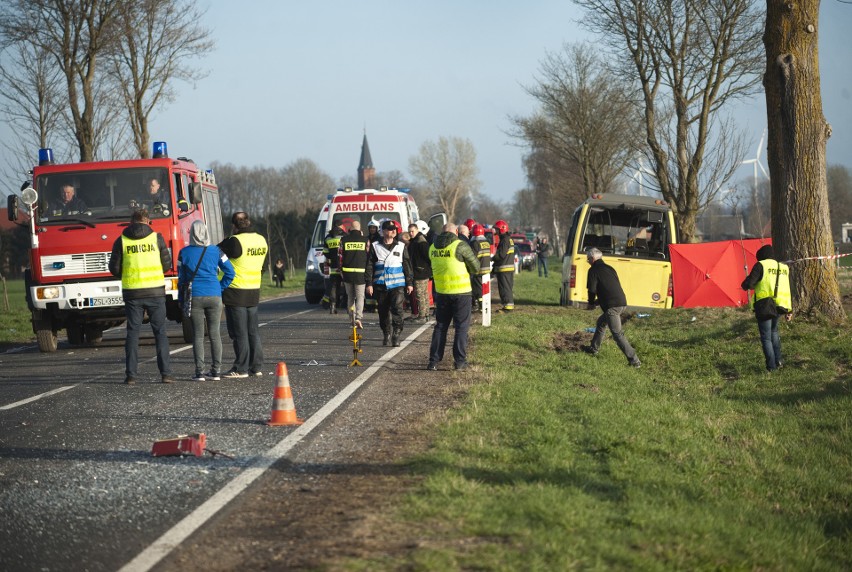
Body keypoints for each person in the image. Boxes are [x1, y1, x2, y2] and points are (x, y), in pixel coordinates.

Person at [108, 209, 173, 384]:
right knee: (160, 332)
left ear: (131, 222)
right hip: (155, 292)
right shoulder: (157, 239)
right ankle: (165, 374)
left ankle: (131, 376)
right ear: (148, 221)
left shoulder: (121, 241)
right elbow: (166, 265)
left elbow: (114, 269)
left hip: (133, 293)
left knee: (132, 333)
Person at [178, 221, 235, 381]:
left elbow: (181, 279)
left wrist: (181, 298)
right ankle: (216, 371)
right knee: (215, 334)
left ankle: (199, 372)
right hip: (214, 296)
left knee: (198, 335)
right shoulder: (216, 251)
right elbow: (230, 272)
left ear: (191, 234)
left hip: (195, 296)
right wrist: (219, 287)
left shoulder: (183, 253)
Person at [218, 212, 269, 378]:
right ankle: (256, 366)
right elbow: (264, 265)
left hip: (236, 291)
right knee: (253, 331)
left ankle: (240, 368)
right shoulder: (261, 240)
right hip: (253, 290)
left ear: (234, 226)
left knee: (239, 332)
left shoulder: (235, 241)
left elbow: (216, 250)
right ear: (249, 222)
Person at [427, 223, 480, 371]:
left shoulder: (432, 247)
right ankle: (460, 362)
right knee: (461, 327)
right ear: (456, 232)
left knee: (440, 327)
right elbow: (475, 266)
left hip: (442, 292)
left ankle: (433, 361)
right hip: (461, 292)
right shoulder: (459, 245)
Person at [580, 247, 641, 368]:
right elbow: (609, 289)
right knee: (601, 323)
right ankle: (594, 348)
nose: (588, 262)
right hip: (622, 302)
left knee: (617, 334)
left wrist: (591, 303)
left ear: (592, 259)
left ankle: (634, 360)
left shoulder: (593, 270)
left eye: (588, 260)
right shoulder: (609, 268)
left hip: (612, 306)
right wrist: (598, 302)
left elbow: (592, 290)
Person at [741, 244, 792, 372]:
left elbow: (749, 284)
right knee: (774, 332)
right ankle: (779, 360)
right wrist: (789, 310)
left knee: (766, 337)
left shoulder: (761, 265)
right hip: (781, 305)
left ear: (761, 257)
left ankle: (771, 367)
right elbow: (787, 288)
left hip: (765, 306)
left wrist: (746, 281)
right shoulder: (784, 267)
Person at [366, 219, 413, 346]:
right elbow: (369, 266)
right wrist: (369, 284)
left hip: (397, 285)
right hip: (380, 284)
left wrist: (409, 283)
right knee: (383, 311)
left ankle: (396, 335)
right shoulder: (375, 246)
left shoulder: (401, 246)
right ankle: (386, 332)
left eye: (394, 229)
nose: (393, 231)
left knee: (397, 309)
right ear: (383, 231)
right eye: (389, 229)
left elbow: (407, 265)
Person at [338, 220, 370, 329]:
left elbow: (340, 257)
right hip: (361, 274)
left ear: (350, 229)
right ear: (360, 230)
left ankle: (351, 319)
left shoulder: (343, 240)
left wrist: (341, 271)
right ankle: (358, 318)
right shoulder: (365, 240)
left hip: (347, 274)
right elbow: (369, 257)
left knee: (350, 297)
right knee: (360, 297)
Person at [407, 220, 432, 323]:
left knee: (420, 294)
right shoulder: (415, 241)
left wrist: (423, 267)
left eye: (412, 231)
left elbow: (428, 257)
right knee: (423, 294)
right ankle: (425, 314)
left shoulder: (421, 242)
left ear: (417, 230)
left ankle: (422, 316)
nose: (410, 233)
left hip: (420, 272)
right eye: (409, 232)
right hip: (420, 271)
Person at [491, 219, 516, 312]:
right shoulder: (507, 239)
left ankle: (507, 308)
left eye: (497, 229)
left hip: (504, 269)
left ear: (502, 229)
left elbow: (501, 255)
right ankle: (507, 306)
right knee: (506, 287)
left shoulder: (505, 240)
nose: (495, 231)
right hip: (507, 269)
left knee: (504, 288)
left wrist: (492, 258)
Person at [323, 224, 345, 313]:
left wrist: (332, 257)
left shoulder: (328, 237)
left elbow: (325, 252)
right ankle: (347, 306)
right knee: (348, 286)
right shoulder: (345, 236)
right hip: (344, 266)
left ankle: (333, 305)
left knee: (334, 286)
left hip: (333, 266)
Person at [470, 224, 492, 311]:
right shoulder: (486, 242)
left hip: (478, 270)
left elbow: (472, 257)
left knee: (477, 289)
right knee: (484, 288)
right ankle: (483, 304)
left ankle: (481, 306)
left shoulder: (475, 243)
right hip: (486, 269)